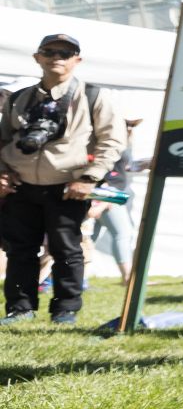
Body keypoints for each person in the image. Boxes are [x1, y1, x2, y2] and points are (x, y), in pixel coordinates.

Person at [0, 34, 123, 324]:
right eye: (50, 51)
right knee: (20, 250)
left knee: (66, 248)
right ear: (37, 57)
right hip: (21, 185)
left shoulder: (93, 96)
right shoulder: (18, 98)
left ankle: (65, 310)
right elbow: (2, 140)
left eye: (66, 53)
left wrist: (90, 179)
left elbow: (112, 141)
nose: (57, 57)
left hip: (69, 187)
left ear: (77, 60)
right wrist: (2, 173)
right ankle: (20, 309)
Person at [91, 116, 145, 290]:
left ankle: (71, 278)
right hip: (107, 192)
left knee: (88, 237)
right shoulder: (109, 142)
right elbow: (104, 170)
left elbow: (122, 168)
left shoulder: (122, 143)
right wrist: (102, 199)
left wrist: (141, 164)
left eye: (131, 127)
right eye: (128, 126)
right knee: (122, 233)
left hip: (113, 192)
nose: (130, 130)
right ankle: (128, 277)